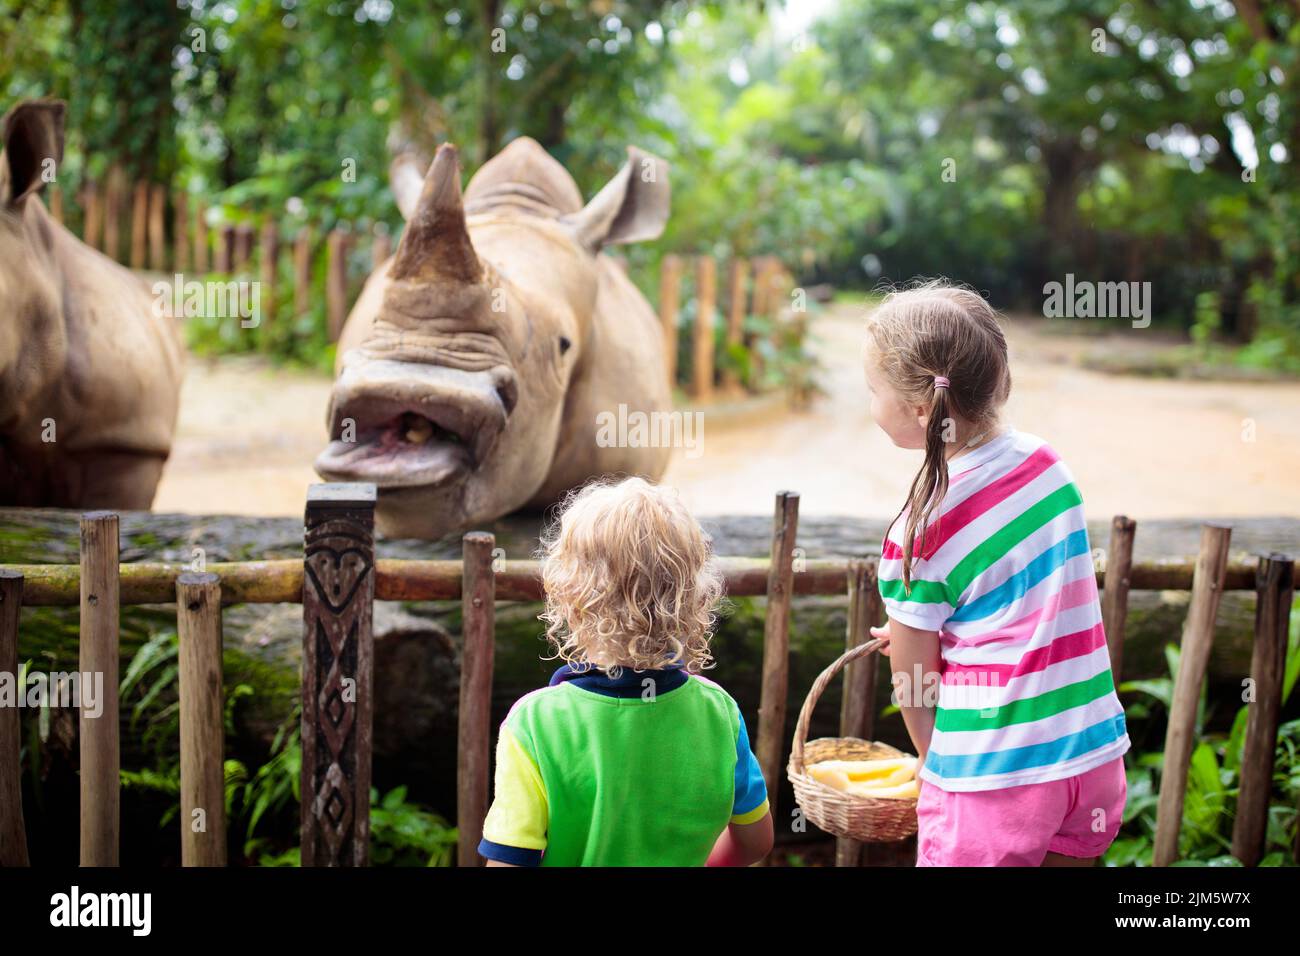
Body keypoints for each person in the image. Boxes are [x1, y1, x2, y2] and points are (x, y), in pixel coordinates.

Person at [862, 281, 1129, 866]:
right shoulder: (1048, 468)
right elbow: (1028, 601)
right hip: (1091, 757)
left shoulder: (918, 532)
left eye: (872, 390)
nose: (869, 404)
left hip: (995, 778)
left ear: (921, 408)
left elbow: (913, 682)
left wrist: (938, 765)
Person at [478, 476, 774, 866]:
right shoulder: (719, 713)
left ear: (569, 598)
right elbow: (755, 842)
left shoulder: (535, 724)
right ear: (694, 597)